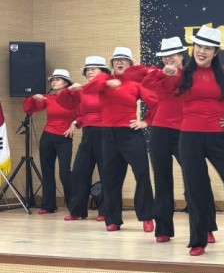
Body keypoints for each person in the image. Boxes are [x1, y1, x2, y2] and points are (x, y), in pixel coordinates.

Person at [160, 26, 224, 257]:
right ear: (193, 48)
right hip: (189, 137)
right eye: (199, 46)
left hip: (216, 136)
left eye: (208, 48)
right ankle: (198, 240)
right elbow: (160, 92)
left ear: (215, 52)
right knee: (196, 188)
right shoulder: (182, 74)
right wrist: (167, 75)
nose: (202, 51)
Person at [132, 37, 218, 244]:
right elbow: (134, 76)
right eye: (164, 55)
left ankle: (205, 227)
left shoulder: (192, 73)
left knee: (196, 180)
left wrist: (176, 73)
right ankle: (163, 229)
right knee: (162, 180)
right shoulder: (158, 74)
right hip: (160, 131)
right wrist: (161, 72)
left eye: (172, 54)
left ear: (181, 55)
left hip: (186, 131)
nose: (168, 58)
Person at [70, 47, 155, 232]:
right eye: (116, 59)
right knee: (110, 178)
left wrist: (145, 122)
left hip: (130, 134)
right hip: (108, 135)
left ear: (130, 64)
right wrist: (107, 83)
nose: (119, 62)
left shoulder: (136, 83)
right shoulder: (103, 79)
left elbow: (155, 102)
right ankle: (113, 219)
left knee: (142, 175)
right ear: (111, 64)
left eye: (124, 59)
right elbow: (89, 87)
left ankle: (147, 216)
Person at [59, 56, 110, 221]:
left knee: (107, 173)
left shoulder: (108, 88)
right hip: (88, 133)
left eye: (94, 69)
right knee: (79, 172)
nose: (89, 72)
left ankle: (106, 211)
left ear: (103, 72)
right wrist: (75, 122)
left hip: (105, 133)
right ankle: (77, 211)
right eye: (87, 69)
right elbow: (81, 113)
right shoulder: (83, 90)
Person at [22, 69, 78, 214]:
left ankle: (73, 206)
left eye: (57, 79)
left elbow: (82, 114)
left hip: (64, 138)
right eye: (52, 80)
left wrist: (74, 124)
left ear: (66, 83)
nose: (53, 82)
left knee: (65, 172)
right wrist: (33, 98)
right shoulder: (48, 98)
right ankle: (48, 205)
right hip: (47, 137)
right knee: (47, 171)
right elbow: (28, 109)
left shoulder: (74, 98)